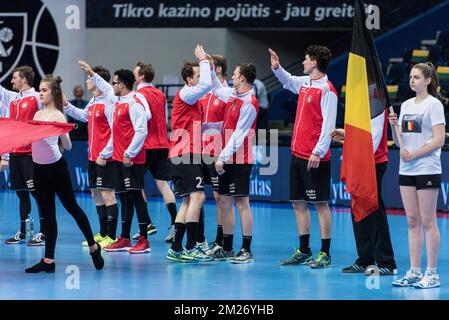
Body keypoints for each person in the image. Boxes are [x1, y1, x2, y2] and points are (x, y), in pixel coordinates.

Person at [25, 74, 104, 273]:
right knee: (47, 215)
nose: (40, 94)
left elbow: (67, 146)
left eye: (44, 90)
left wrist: (59, 131)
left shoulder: (59, 116)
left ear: (53, 93)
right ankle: (48, 261)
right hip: (39, 169)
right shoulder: (36, 115)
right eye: (40, 90)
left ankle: (94, 247)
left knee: (72, 208)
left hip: (56, 169)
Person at [270, 46, 337, 268]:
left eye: (306, 59)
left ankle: (325, 253)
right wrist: (277, 68)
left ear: (315, 62)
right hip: (297, 153)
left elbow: (329, 125)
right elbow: (288, 81)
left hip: (314, 156)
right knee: (298, 203)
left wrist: (318, 151)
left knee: (320, 204)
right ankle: (304, 250)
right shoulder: (306, 83)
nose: (304, 62)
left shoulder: (327, 90)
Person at [79, 61, 153, 254]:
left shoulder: (134, 103)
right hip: (119, 158)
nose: (111, 86)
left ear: (122, 85)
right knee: (125, 199)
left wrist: (130, 153)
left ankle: (144, 240)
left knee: (136, 197)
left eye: (114, 83)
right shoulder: (118, 100)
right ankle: (125, 238)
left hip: (131, 159)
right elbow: (104, 87)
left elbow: (141, 130)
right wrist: (92, 73)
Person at [389, 62, 445, 289]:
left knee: (428, 221)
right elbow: (403, 137)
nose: (412, 81)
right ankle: (414, 270)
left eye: (417, 77)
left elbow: (439, 139)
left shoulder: (435, 105)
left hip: (427, 168)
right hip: (407, 169)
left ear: (428, 80)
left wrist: (414, 155)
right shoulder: (406, 105)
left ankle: (432, 273)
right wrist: (394, 127)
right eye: (411, 77)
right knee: (412, 221)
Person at [331, 109, 397, 275]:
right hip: (359, 158)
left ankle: (387, 262)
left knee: (373, 210)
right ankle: (365, 259)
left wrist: (358, 151)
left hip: (372, 160)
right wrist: (346, 134)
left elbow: (373, 137)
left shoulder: (377, 99)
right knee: (357, 209)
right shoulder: (360, 97)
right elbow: (363, 130)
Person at [165, 45, 213, 263]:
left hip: (186, 154)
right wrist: (202, 59)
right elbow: (206, 85)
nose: (201, 78)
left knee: (186, 202)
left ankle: (176, 248)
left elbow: (211, 86)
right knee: (198, 197)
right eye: (198, 75)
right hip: (185, 154)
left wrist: (209, 66)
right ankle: (192, 246)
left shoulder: (193, 98)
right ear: (189, 79)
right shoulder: (186, 93)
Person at [63, 66, 119, 249]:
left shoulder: (109, 103)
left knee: (108, 195)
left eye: (89, 77)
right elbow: (82, 116)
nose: (87, 81)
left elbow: (115, 132)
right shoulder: (94, 100)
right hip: (92, 156)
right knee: (96, 194)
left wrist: (105, 154)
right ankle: (102, 233)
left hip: (105, 158)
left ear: (96, 80)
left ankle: (112, 236)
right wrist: (66, 105)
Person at [212, 63, 259, 264]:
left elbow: (239, 134)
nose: (232, 75)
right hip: (227, 157)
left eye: (235, 73)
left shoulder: (249, 102)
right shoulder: (232, 94)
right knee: (224, 201)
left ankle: (246, 250)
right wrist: (207, 65)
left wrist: (222, 156)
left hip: (240, 158)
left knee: (242, 203)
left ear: (243, 78)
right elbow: (214, 88)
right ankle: (228, 247)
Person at [0, 66, 46, 246]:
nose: (12, 81)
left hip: (31, 155)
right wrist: (5, 154)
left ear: (24, 80)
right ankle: (23, 231)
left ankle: (44, 232)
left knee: (38, 194)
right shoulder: (13, 98)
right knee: (21, 194)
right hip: (15, 153)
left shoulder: (37, 97)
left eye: (14, 78)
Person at [132, 61, 176, 242]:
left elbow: (138, 123)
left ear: (141, 76)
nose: (134, 75)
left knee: (136, 186)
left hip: (145, 146)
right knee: (163, 185)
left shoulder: (137, 95)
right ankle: (175, 223)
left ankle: (146, 223)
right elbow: (165, 120)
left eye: (135, 73)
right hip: (162, 144)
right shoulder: (161, 95)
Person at [198, 54, 235, 258]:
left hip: (218, 152)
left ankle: (221, 240)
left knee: (221, 197)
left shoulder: (226, 94)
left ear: (217, 69)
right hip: (201, 151)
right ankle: (201, 238)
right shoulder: (204, 93)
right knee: (201, 196)